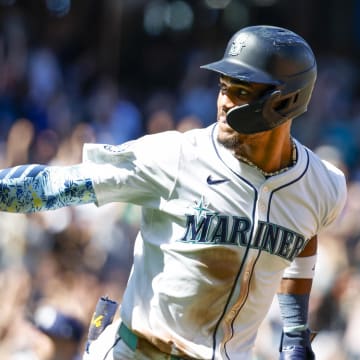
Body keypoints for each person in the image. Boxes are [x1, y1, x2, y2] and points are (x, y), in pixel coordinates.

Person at [0, 25, 347, 360]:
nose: (224, 101)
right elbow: (56, 186)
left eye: (240, 91)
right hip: (137, 351)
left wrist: (296, 333)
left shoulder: (324, 186)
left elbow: (303, 237)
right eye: (223, 86)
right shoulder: (177, 156)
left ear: (284, 102)